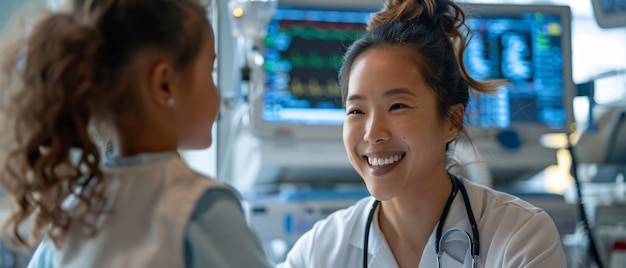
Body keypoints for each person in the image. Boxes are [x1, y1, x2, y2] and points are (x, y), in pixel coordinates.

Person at [278, 0, 567, 267]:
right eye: (356, 111)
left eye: (397, 106)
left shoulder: (521, 237)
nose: (372, 134)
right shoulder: (319, 251)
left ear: (451, 121)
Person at [0, 0, 272, 267]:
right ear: (164, 85)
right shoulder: (204, 211)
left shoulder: (74, 214)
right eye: (210, 71)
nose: (220, 95)